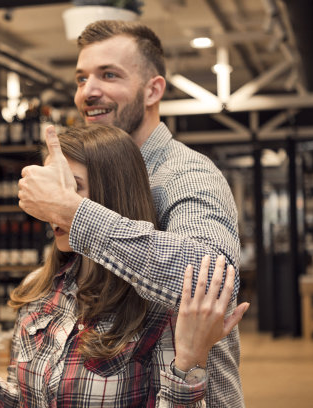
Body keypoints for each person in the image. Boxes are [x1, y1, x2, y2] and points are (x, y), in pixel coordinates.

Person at [0, 124, 249, 407]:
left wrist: (188, 363)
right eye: (49, 188)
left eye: (72, 187)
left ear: (113, 193)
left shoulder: (158, 304)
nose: (50, 203)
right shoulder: (40, 290)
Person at [17, 21, 245, 407]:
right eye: (81, 78)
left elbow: (212, 282)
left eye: (109, 75)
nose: (88, 91)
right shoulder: (93, 172)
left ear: (153, 89)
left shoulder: (186, 174)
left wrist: (74, 213)